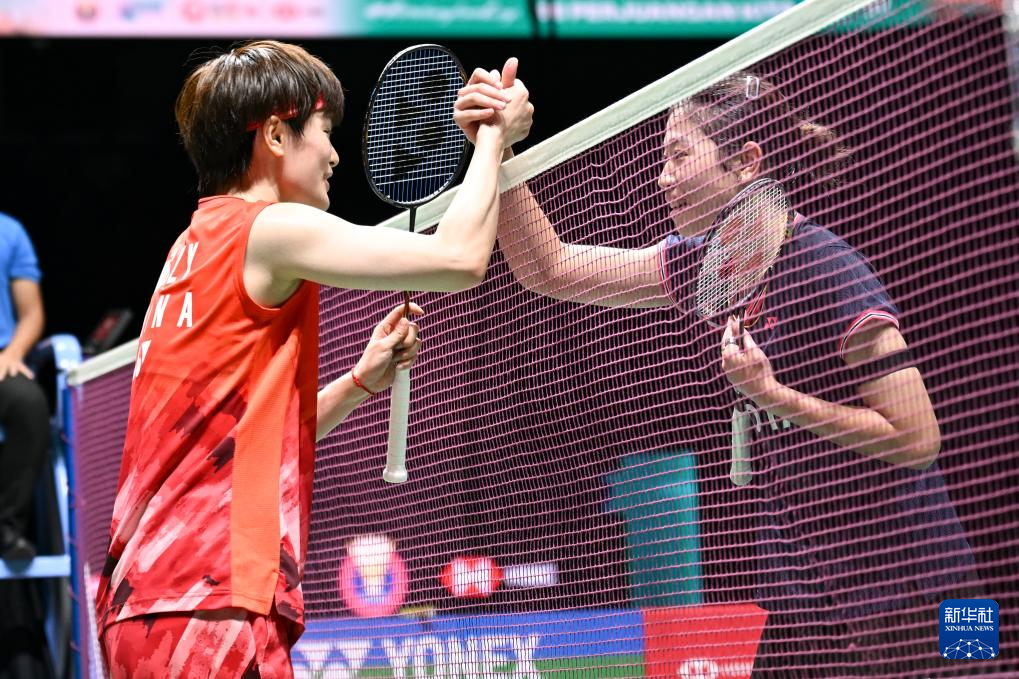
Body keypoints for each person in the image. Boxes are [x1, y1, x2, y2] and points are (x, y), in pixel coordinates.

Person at [476, 71, 977, 675]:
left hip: (927, 595)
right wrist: (498, 149)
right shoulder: (705, 268)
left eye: (679, 156)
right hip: (803, 596)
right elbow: (551, 269)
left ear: (744, 163)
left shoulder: (828, 269)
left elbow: (918, 439)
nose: (662, 178)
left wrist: (772, 395)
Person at [95, 40, 532, 678]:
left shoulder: (191, 246)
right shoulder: (268, 228)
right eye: (325, 131)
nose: (334, 155)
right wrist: (493, 139)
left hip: (149, 603)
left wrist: (358, 382)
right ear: (275, 135)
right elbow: (460, 259)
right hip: (212, 602)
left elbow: (236, 442)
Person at [0, 211, 49, 562]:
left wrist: (12, 353)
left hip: (1, 360)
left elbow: (31, 313)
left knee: (29, 404)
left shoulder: (9, 231)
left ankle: (6, 528)